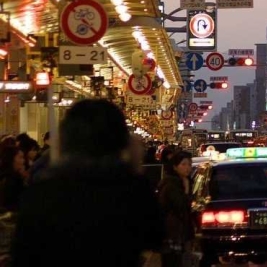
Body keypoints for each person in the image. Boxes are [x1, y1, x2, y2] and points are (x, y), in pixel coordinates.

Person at [10, 99, 163, 266]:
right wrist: (133, 165)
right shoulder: (134, 189)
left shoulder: (41, 193)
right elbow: (155, 238)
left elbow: (22, 253)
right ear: (122, 141)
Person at [157, 151, 194, 267]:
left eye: (189, 164)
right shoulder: (171, 185)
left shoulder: (182, 182)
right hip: (172, 233)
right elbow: (181, 205)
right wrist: (187, 190)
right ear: (175, 166)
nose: (187, 168)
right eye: (183, 164)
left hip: (179, 233)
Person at [0, 146, 26, 213]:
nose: (23, 161)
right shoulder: (12, 179)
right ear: (11, 158)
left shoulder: (9, 175)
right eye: (20, 157)